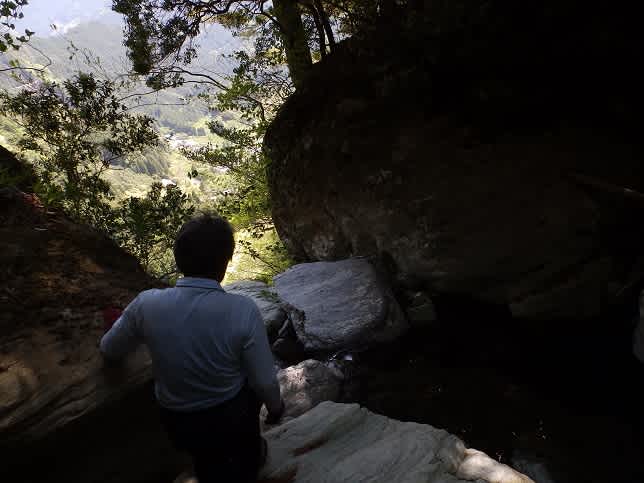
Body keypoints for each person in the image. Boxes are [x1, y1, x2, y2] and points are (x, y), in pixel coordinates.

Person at [100, 214, 284, 483]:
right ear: (225, 263)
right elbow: (265, 382)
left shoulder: (146, 304)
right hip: (229, 422)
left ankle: (205, 464)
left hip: (178, 425)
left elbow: (109, 349)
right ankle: (249, 455)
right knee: (249, 377)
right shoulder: (242, 310)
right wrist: (276, 410)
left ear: (178, 259)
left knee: (206, 457)